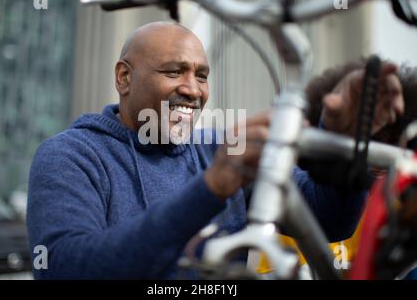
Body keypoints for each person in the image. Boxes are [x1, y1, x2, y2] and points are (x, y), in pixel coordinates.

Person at [26, 22, 404, 279]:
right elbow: (65, 268)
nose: (193, 89)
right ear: (124, 77)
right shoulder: (70, 155)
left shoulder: (219, 149)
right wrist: (209, 189)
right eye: (174, 72)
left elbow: (329, 219)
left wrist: (346, 150)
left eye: (202, 75)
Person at [258, 59, 417, 276]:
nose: (382, 166)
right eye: (370, 149)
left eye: (393, 146)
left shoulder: (405, 220)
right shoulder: (297, 208)